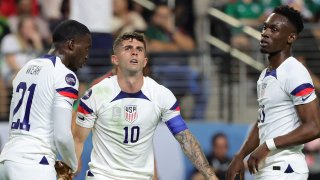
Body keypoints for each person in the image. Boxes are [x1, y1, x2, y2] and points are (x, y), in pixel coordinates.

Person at [73, 32, 218, 180]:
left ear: (145, 61)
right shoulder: (97, 93)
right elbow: (78, 138)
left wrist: (211, 176)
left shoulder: (161, 95)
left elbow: (185, 138)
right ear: (115, 59)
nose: (134, 51)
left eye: (139, 49)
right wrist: (72, 164)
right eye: (128, 48)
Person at [226, 5, 320, 180]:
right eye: (265, 27)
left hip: (286, 169)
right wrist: (240, 155)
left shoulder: (294, 71)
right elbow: (263, 121)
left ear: (291, 37)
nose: (265, 33)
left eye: (274, 29)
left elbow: (315, 127)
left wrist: (268, 145)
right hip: (267, 169)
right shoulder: (266, 74)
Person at [0, 19, 92, 180]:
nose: (87, 56)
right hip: (34, 163)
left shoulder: (26, 67)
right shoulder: (64, 75)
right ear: (71, 45)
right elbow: (62, 135)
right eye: (86, 48)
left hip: (7, 159)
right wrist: (72, 164)